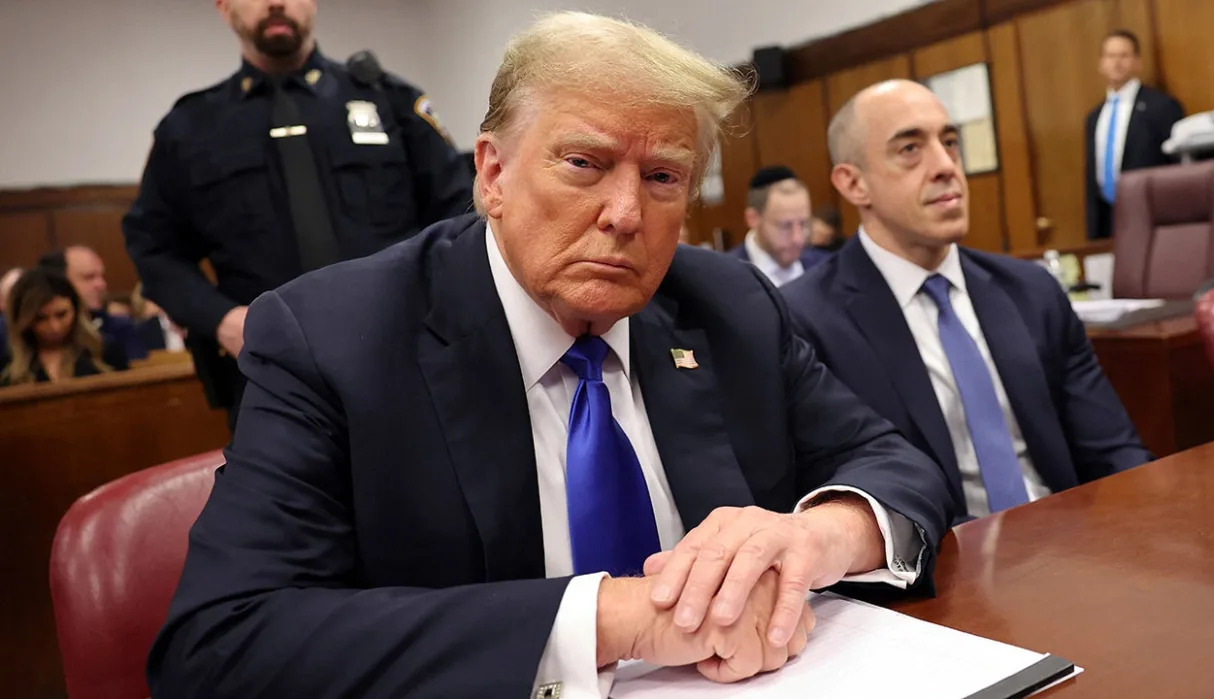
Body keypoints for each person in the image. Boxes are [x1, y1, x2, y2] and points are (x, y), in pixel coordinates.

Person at [149, 14, 956, 699]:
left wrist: (817, 537)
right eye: (584, 163)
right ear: (493, 172)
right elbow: (222, 640)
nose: (624, 213)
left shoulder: (730, 303)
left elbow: (898, 464)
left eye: (664, 176)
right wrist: (619, 617)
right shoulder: (331, 338)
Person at [784, 79, 1151, 523]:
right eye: (909, 149)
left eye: (950, 142)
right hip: (939, 568)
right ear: (854, 183)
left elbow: (1113, 450)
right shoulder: (805, 320)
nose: (945, 165)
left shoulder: (1031, 291)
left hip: (1069, 544)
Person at [123, 0, 474, 429]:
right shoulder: (190, 128)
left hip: (406, 359)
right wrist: (221, 319)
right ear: (223, 7)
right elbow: (153, 246)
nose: (275, 3)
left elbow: (462, 216)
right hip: (273, 378)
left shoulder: (389, 102)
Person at [1085, 29, 1183, 240]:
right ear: (1101, 64)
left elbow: (1177, 166)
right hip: (1109, 222)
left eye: (1124, 56)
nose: (1116, 63)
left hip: (1153, 216)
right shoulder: (1094, 118)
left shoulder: (1162, 107)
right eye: (1110, 56)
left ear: (1137, 62)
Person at [1, 269, 124, 385]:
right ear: (24, 320)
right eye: (41, 318)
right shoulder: (6, 365)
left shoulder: (103, 351)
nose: (54, 327)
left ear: (76, 311)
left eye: (61, 315)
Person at [38, 247, 147, 362]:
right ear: (58, 282)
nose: (101, 285)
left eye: (101, 276)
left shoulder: (119, 327)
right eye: (89, 277)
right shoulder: (40, 332)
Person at [728, 166, 829, 286]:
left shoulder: (826, 268)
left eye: (803, 224)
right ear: (753, 219)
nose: (798, 239)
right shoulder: (726, 276)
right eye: (785, 226)